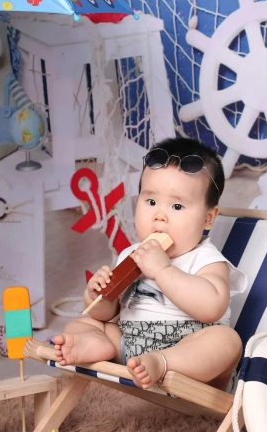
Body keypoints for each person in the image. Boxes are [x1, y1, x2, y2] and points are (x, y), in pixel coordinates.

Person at [53, 137, 247, 390]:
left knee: (227, 341)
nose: (159, 215)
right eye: (151, 201)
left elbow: (212, 308)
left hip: (186, 351)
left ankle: (162, 362)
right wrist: (98, 294)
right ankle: (96, 344)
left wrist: (162, 270)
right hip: (130, 346)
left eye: (177, 205)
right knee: (84, 323)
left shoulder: (206, 259)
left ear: (208, 218)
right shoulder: (133, 254)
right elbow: (109, 313)